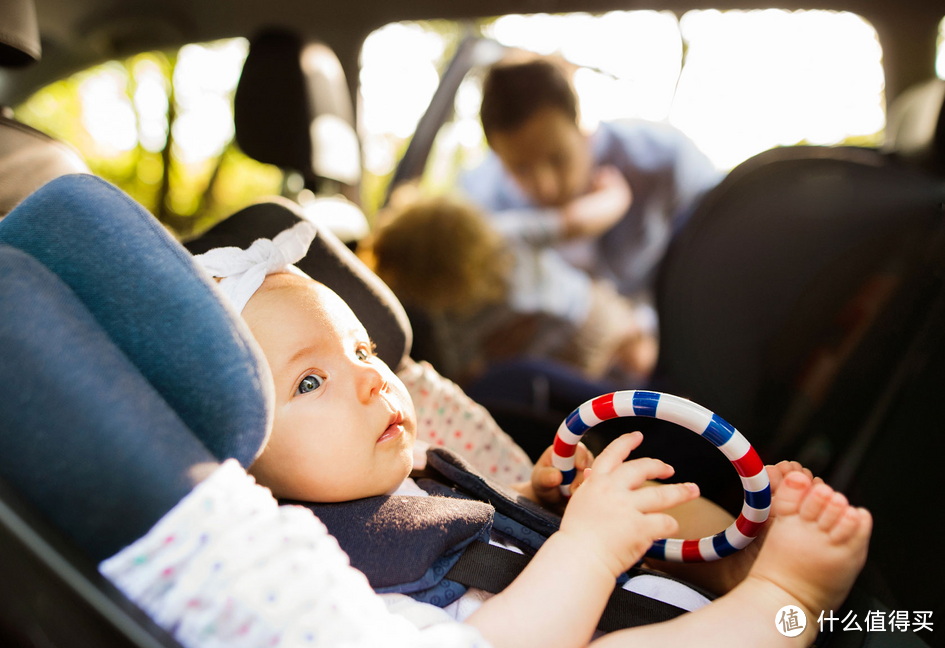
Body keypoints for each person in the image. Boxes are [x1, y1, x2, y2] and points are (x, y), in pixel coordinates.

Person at [182, 222, 872, 648]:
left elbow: (458, 523)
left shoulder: (412, 472)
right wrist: (590, 547)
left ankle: (734, 559)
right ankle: (788, 598)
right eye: (310, 382)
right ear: (241, 461)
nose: (372, 380)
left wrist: (534, 494)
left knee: (623, 482)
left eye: (363, 352)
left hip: (644, 598)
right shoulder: (319, 578)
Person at [460, 57, 724, 304]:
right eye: (520, 169)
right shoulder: (481, 205)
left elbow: (724, 238)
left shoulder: (662, 158)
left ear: (580, 123)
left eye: (557, 159)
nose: (545, 186)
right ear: (496, 156)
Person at [368, 195, 657, 385]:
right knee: (641, 361)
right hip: (584, 318)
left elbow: (463, 375)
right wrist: (615, 195)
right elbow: (575, 221)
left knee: (623, 370)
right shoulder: (504, 235)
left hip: (568, 349)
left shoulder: (450, 314)